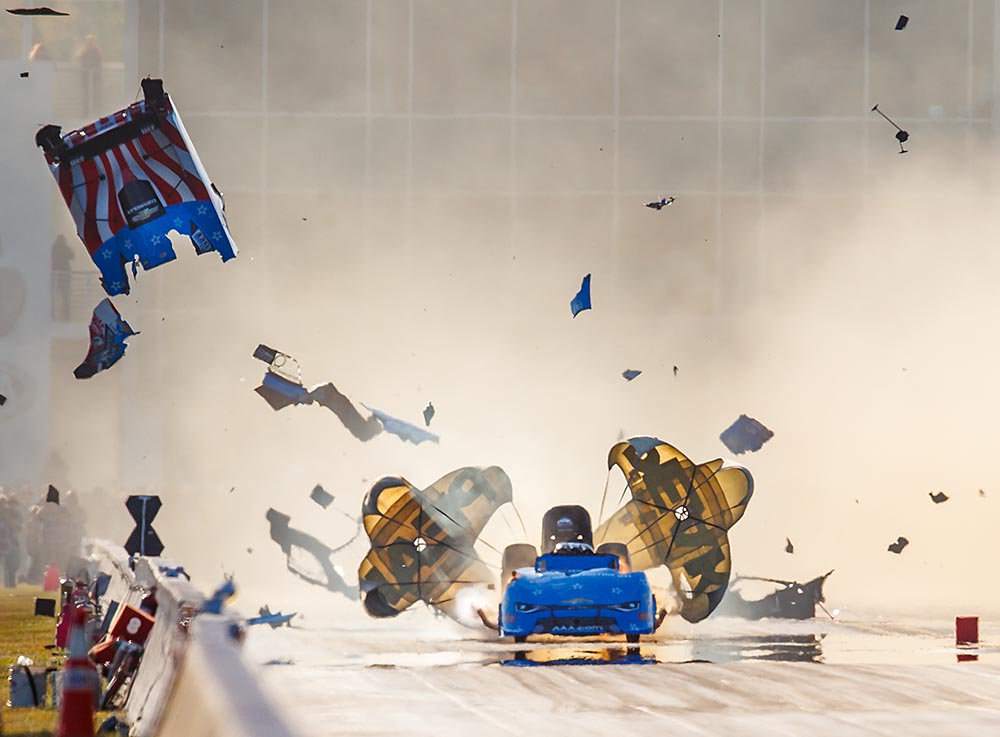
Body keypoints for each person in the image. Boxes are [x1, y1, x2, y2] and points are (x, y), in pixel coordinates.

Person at [0, 493, 24, 587]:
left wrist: (7, 517)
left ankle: (11, 582)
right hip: (2, 542)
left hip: (12, 542)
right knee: (5, 564)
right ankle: (6, 582)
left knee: (13, 564)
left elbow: (17, 527)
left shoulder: (14, 514)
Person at [52, 235, 75, 321]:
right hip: (64, 272)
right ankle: (65, 312)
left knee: (58, 292)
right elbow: (72, 255)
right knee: (64, 293)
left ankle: (57, 312)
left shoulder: (55, 248)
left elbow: (72, 255)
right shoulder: (64, 248)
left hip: (57, 272)